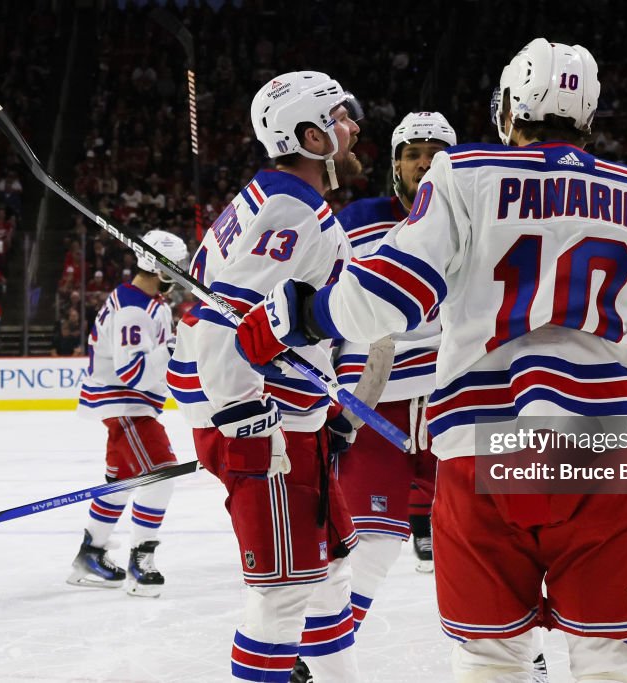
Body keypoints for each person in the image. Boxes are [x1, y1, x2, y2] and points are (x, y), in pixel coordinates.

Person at [236, 38, 627, 682]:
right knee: (613, 663)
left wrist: (295, 315)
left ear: (510, 109)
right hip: (597, 460)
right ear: (588, 118)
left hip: (478, 458)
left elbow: (389, 296)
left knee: (490, 659)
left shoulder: (464, 175)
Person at [168, 71, 364, 683]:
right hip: (266, 426)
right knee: (282, 594)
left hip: (292, 416)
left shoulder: (278, 199)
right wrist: (246, 423)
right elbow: (222, 323)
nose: (353, 128)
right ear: (311, 136)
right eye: (339, 119)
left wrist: (321, 407)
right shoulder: (287, 208)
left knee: (330, 576)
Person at [333, 112, 455, 620]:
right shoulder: (358, 219)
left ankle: (521, 658)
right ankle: (320, 657)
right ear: (396, 165)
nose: (423, 164)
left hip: (454, 399)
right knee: (367, 548)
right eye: (412, 154)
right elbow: (326, 299)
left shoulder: (476, 218)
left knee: (488, 542)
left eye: (435, 154)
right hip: (372, 402)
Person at [68, 229, 188, 598]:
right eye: (175, 265)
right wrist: (176, 345)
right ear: (158, 266)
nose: (180, 272)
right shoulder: (133, 309)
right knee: (162, 472)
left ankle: (90, 554)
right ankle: (142, 559)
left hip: (129, 405)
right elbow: (132, 373)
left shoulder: (147, 302)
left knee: (120, 482)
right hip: (125, 405)